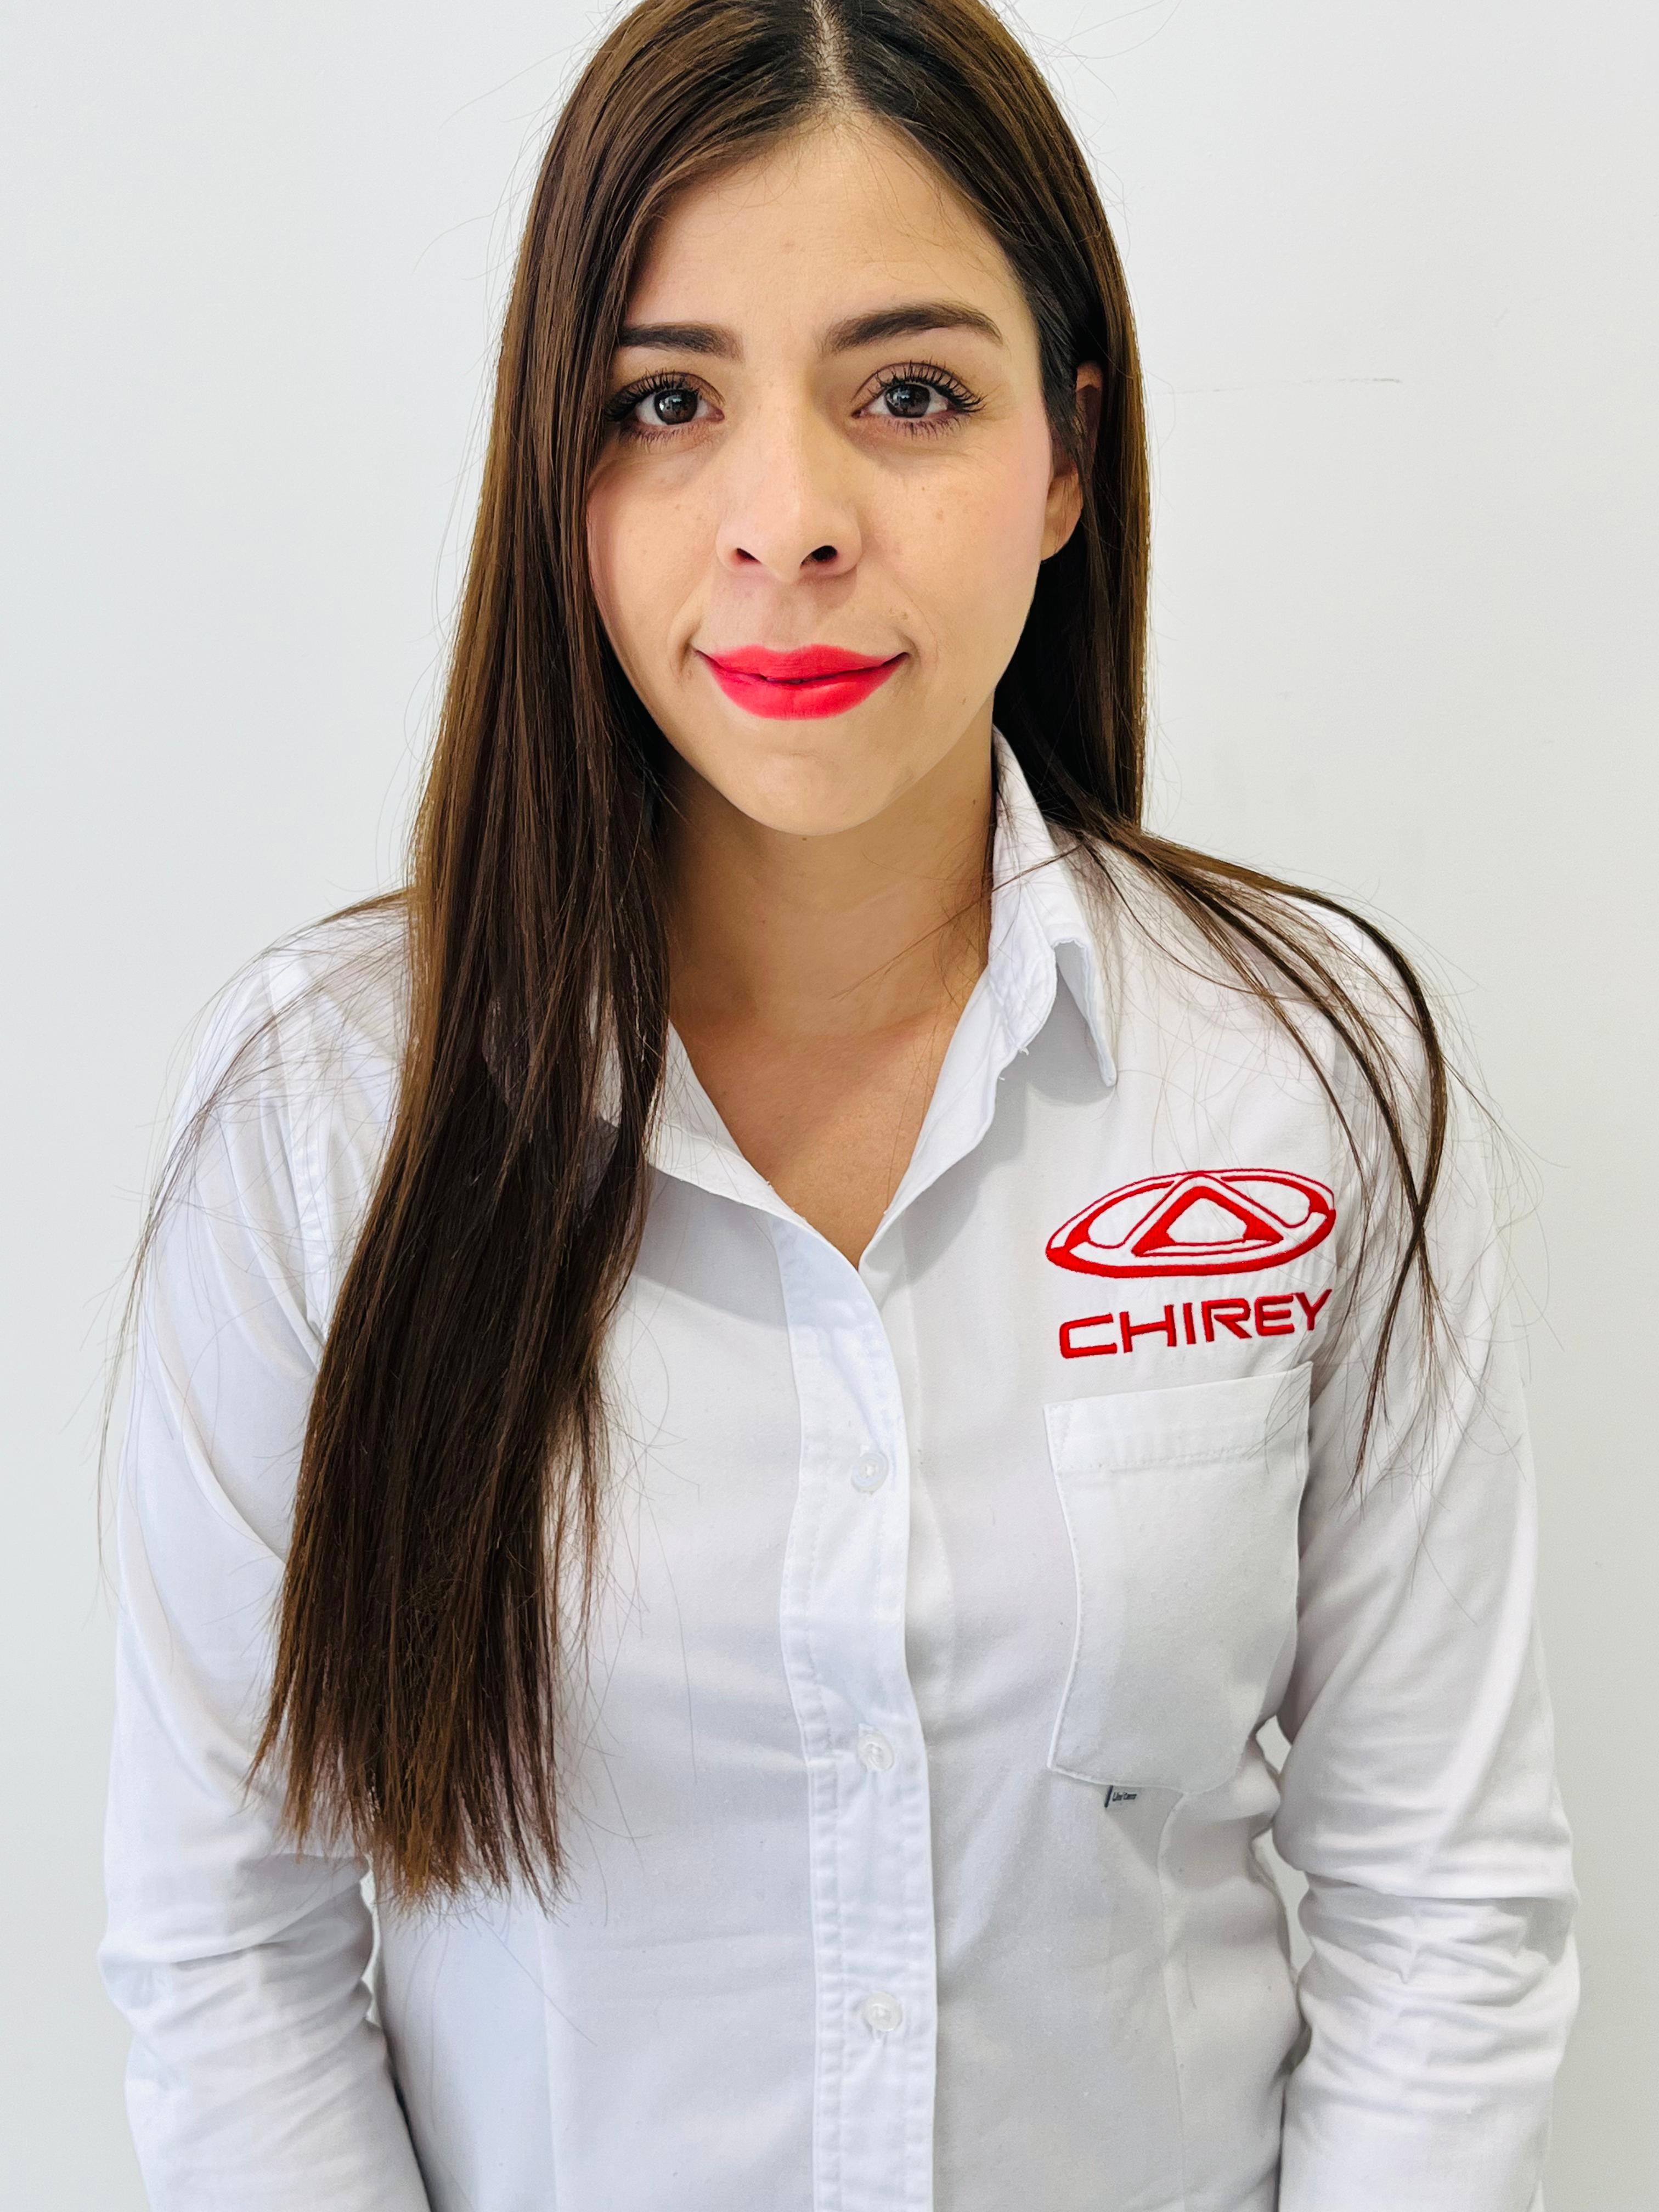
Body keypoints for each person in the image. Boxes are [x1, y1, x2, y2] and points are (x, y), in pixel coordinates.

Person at [97, 1, 1578, 2207]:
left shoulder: (1304, 1076)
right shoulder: (326, 1120)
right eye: (666, 402)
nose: (788, 522)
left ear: (1066, 457)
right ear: (554, 467)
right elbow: (234, 1955)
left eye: (909, 394)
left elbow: (1441, 1905)